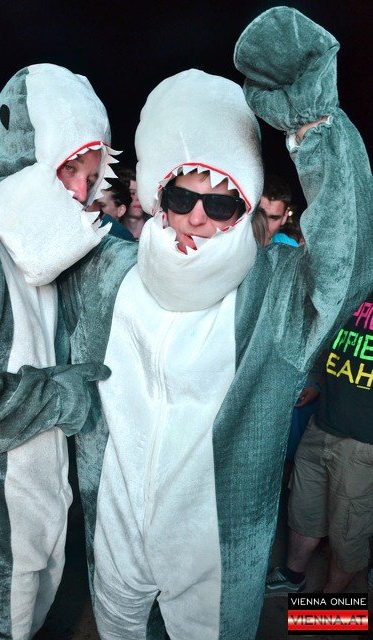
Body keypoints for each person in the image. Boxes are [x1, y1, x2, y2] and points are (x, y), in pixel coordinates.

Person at [59, 7, 372, 640]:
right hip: (115, 537)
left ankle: (331, 613)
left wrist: (314, 125)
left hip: (218, 552)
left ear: (246, 203)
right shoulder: (107, 274)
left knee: (346, 547)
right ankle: (300, 584)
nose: (198, 217)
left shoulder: (274, 293)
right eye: (181, 196)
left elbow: (348, 261)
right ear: (157, 195)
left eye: (222, 201)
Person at [0, 63, 116, 639]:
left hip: (35, 517)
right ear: (29, 154)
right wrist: (57, 398)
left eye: (90, 176)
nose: (80, 192)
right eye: (69, 168)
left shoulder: (47, 246)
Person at [266, 293, 373, 596]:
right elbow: (340, 346)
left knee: (348, 533)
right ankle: (292, 577)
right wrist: (318, 383)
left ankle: (326, 609)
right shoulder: (358, 285)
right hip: (322, 424)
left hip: (363, 444)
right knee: (304, 511)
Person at [257, 173, 299, 246]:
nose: (264, 224)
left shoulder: (289, 246)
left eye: (273, 218)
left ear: (284, 217)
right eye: (259, 214)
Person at [116, 164, 151, 239]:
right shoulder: (113, 233)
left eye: (141, 193)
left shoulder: (156, 230)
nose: (138, 198)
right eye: (132, 193)